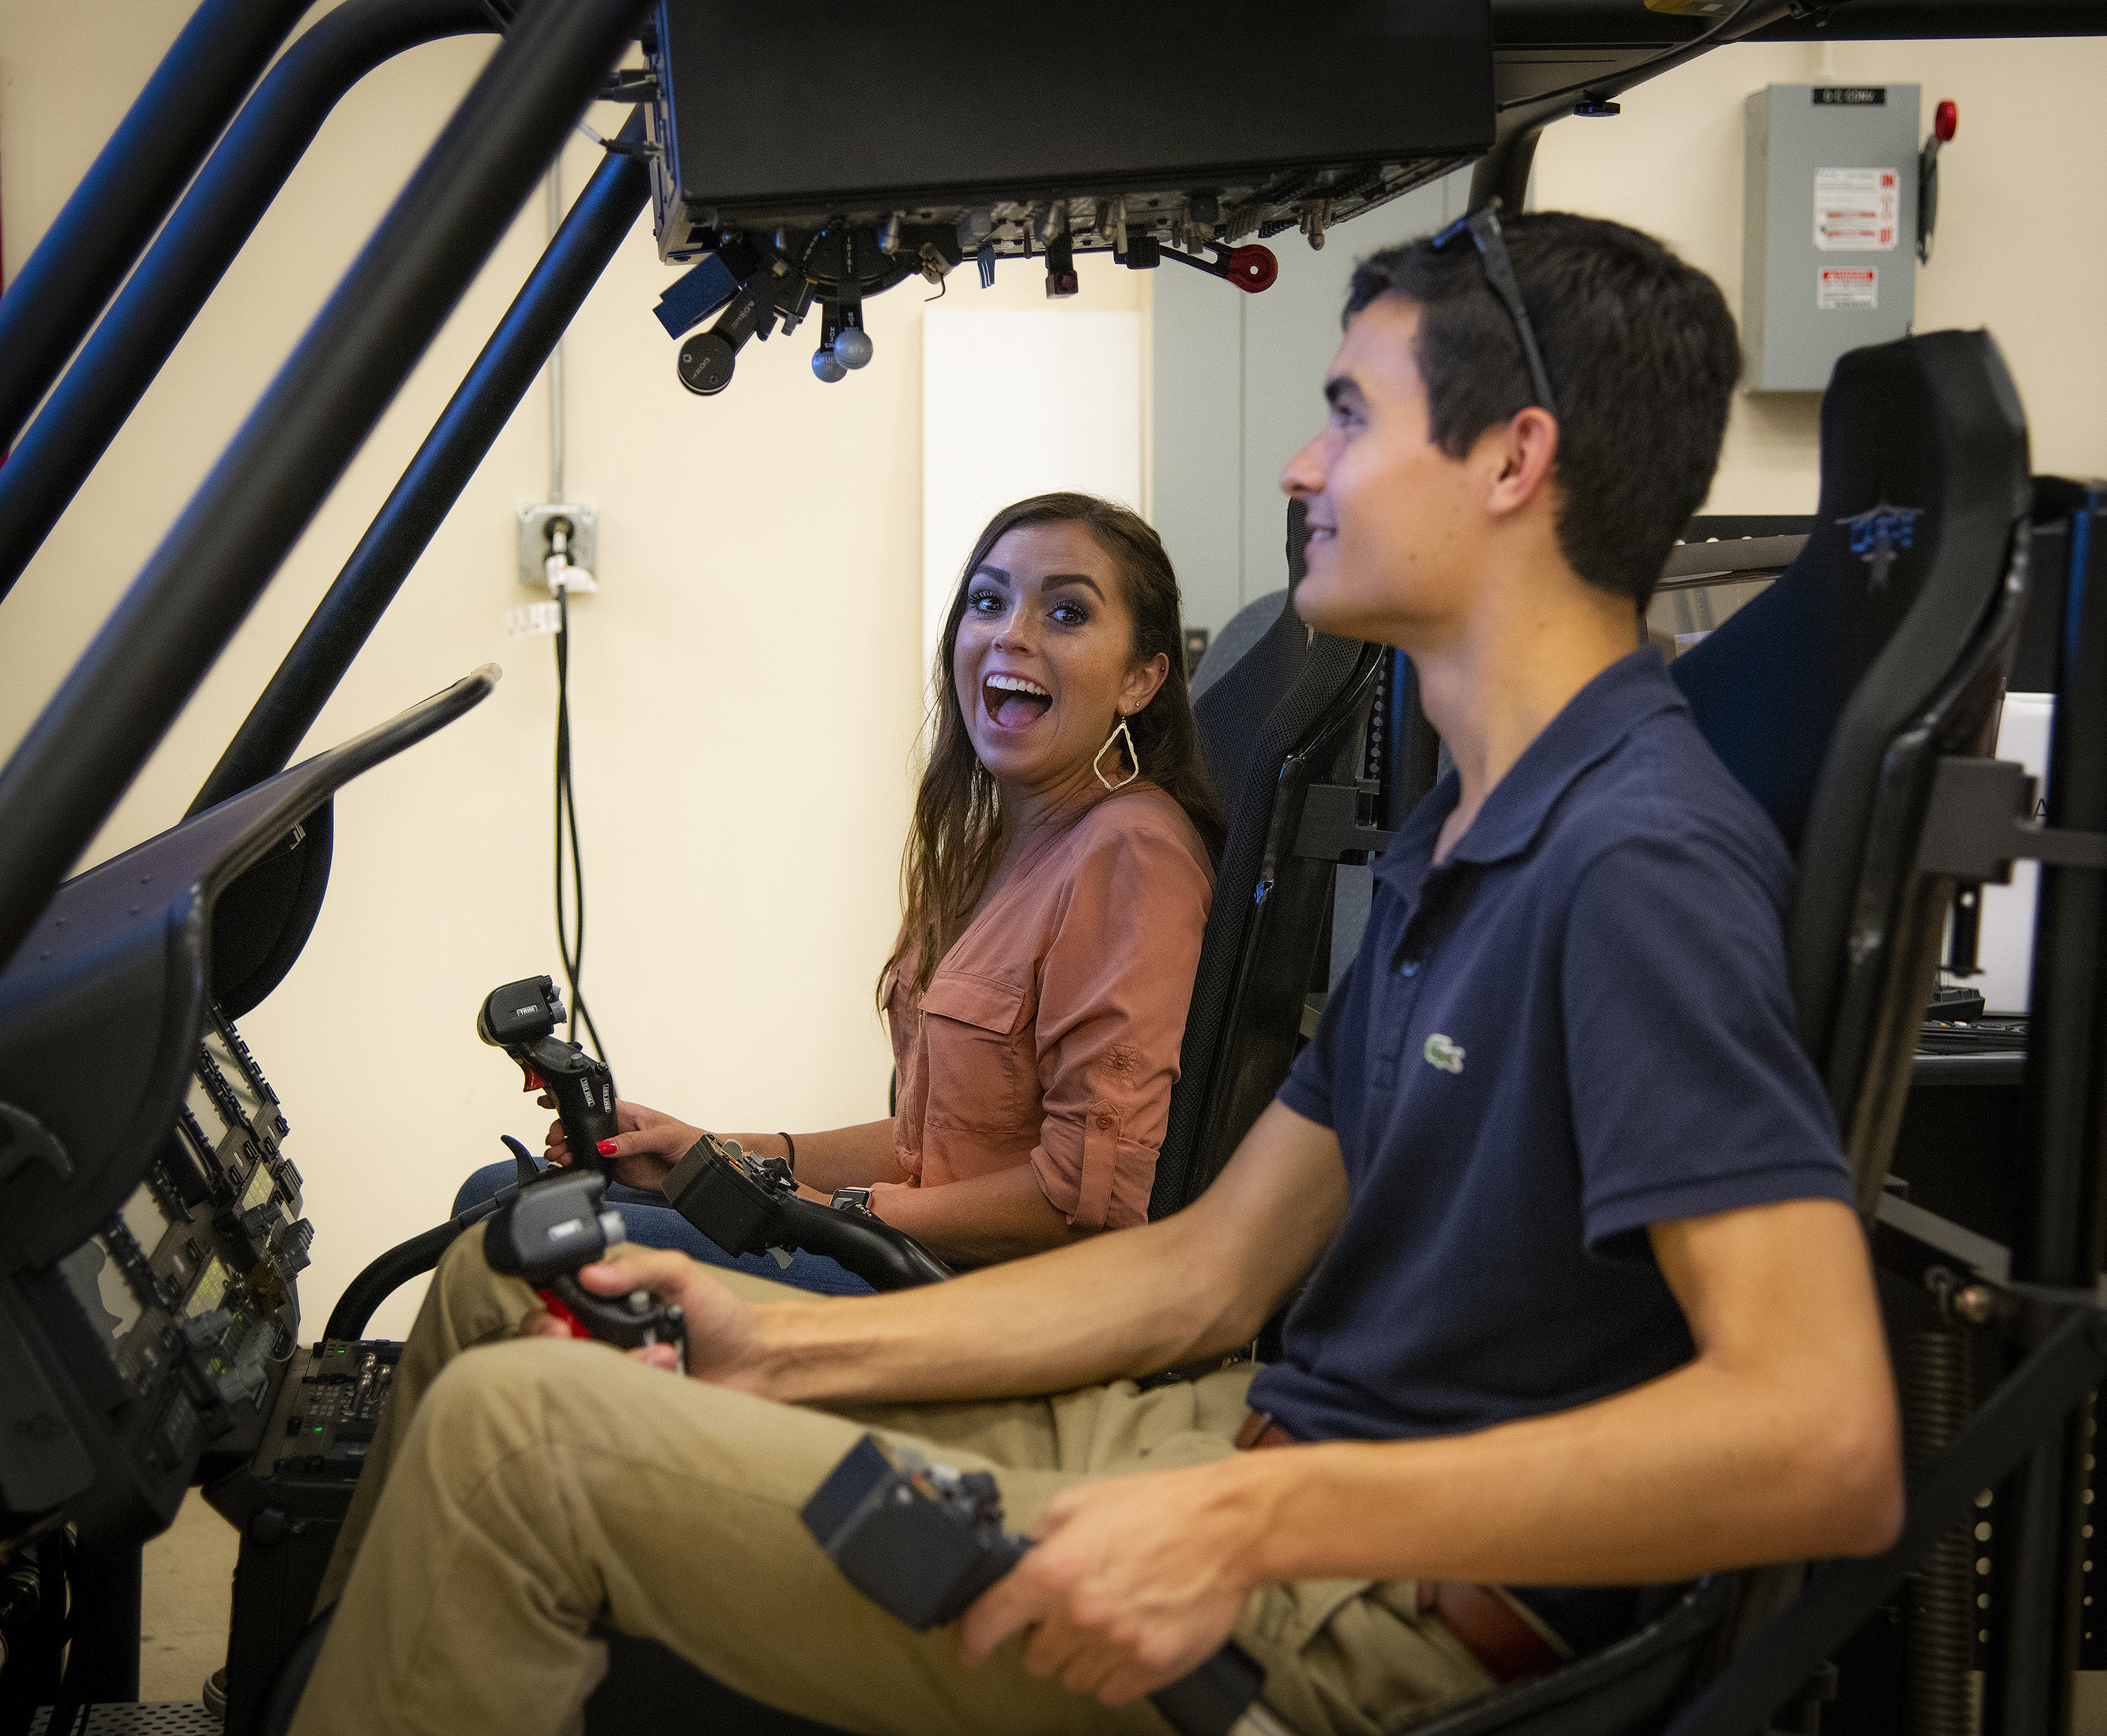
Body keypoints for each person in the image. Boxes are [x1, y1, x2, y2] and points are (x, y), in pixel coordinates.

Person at [291, 212, 1903, 1736]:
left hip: (1357, 1592)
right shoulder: (1464, 839)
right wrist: (780, 1339)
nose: (1299, 462)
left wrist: (1243, 1515)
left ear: (1512, 459)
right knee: (531, 1302)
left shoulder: (1633, 860)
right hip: (1236, 1440)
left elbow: (1820, 1440)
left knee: (521, 1449)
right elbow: (1203, 1269)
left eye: (1348, 414)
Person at [454, 492, 1222, 1293]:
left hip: (970, 1297)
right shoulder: (989, 849)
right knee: (503, 1197)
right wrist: (707, 1152)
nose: (1012, 634)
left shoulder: (1130, 851)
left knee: (499, 1233)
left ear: (1141, 678)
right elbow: (932, 1147)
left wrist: (825, 1211)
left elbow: (1088, 1198)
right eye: (988, 602)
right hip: (909, 1249)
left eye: (1066, 614)